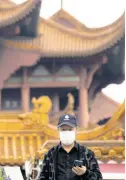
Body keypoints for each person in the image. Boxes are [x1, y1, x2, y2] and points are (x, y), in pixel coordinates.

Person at [37, 114, 103, 180]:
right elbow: (42, 177)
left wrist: (86, 172)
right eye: (63, 129)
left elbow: (99, 178)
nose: (67, 132)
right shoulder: (50, 154)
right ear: (58, 130)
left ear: (76, 130)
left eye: (70, 129)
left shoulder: (87, 153)